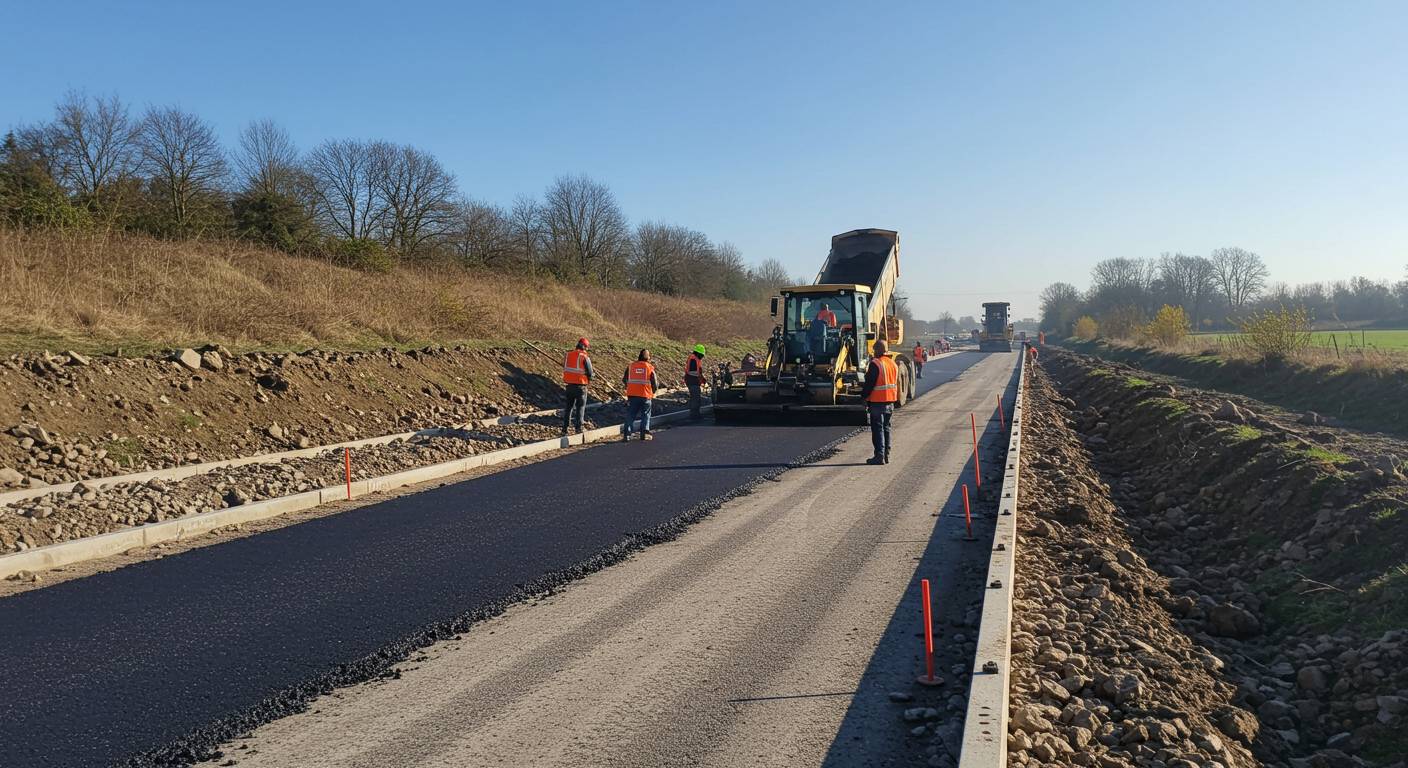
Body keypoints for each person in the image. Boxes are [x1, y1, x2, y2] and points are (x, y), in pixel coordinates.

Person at [861, 341, 899, 465]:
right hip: (890, 400)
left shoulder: (875, 364)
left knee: (877, 428)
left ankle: (879, 456)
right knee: (886, 427)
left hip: (878, 401)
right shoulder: (892, 363)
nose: (873, 352)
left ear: (878, 350)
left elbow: (870, 383)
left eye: (874, 349)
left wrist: (863, 397)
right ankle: (886, 454)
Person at [622, 349, 659, 441]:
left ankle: (627, 434)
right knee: (646, 414)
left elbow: (624, 379)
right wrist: (653, 392)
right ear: (648, 358)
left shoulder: (631, 366)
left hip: (632, 395)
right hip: (645, 395)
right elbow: (654, 383)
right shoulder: (649, 367)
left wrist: (630, 387)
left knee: (631, 414)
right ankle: (644, 433)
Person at [562, 337, 594, 436]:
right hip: (581, 387)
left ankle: (565, 428)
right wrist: (592, 377)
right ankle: (578, 428)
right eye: (587, 348)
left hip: (569, 386)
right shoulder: (584, 357)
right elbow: (590, 372)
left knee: (568, 407)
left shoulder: (568, 355)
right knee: (580, 407)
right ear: (584, 347)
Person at [684, 344, 706, 420]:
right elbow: (693, 372)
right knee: (695, 399)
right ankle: (694, 416)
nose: (702, 357)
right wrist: (701, 378)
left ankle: (696, 415)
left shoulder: (695, 359)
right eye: (702, 355)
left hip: (694, 381)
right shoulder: (693, 359)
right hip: (692, 381)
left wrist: (702, 378)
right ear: (698, 353)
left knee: (696, 398)